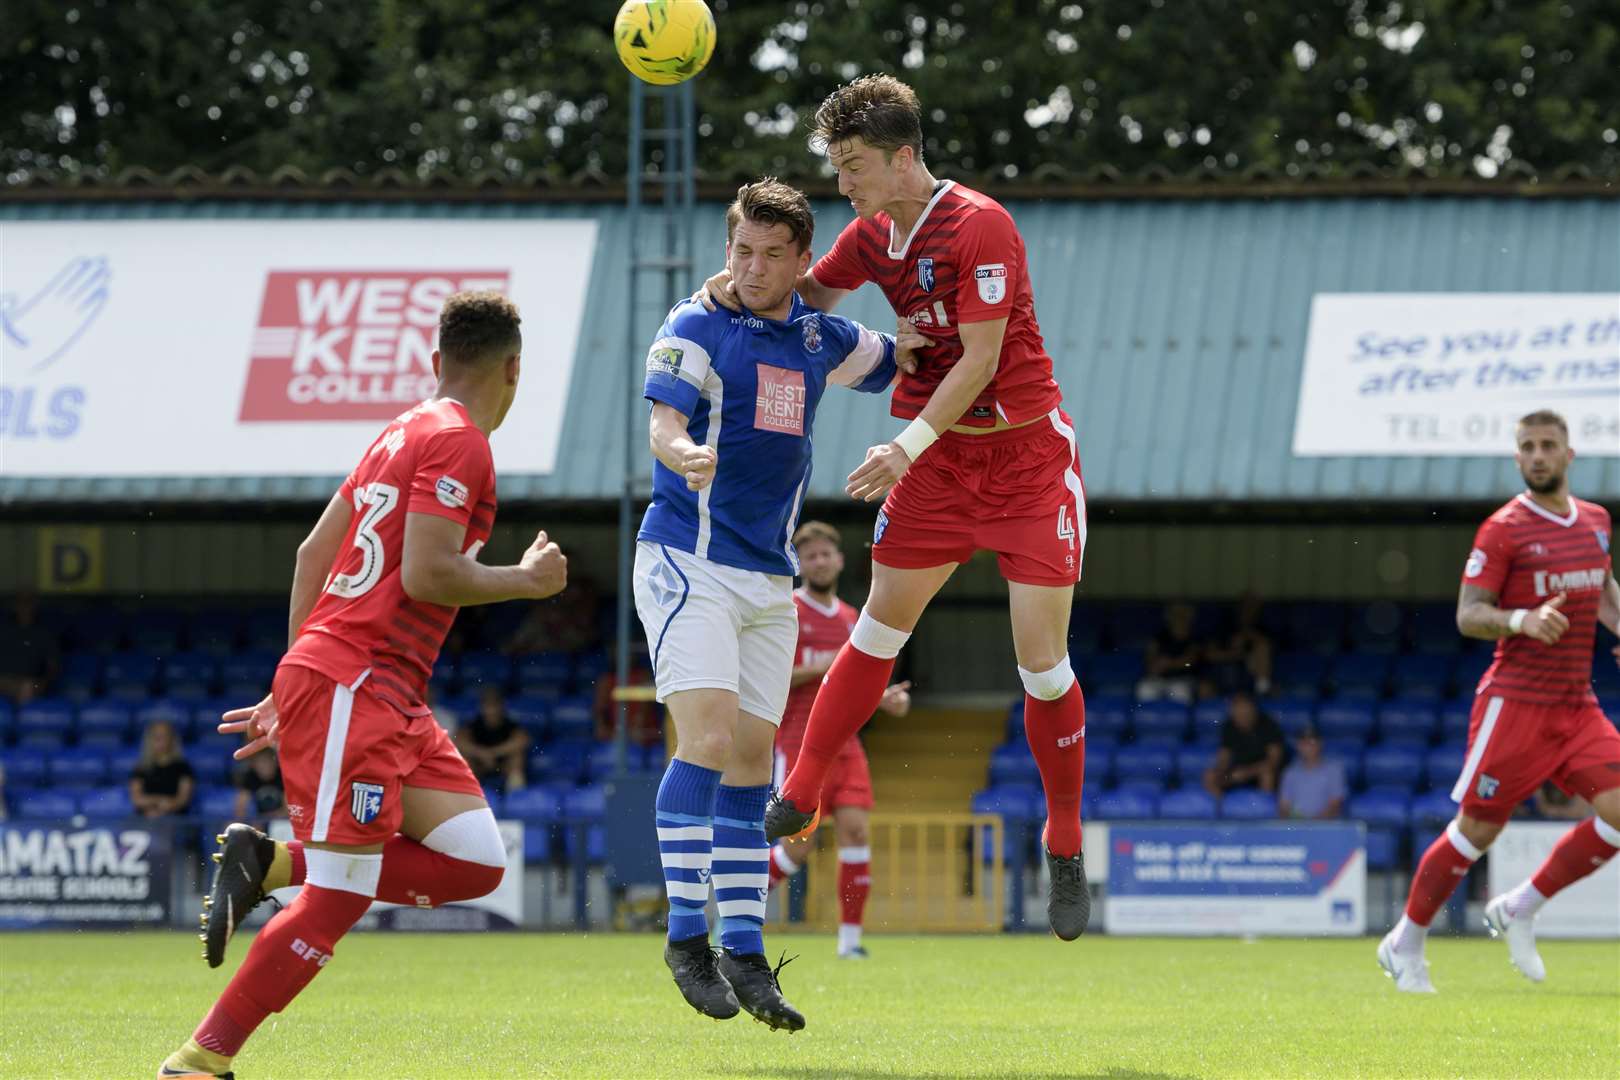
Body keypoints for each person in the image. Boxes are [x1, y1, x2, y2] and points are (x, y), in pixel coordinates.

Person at [699, 74, 1091, 941]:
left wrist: (901, 444)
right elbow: (805, 307)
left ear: (903, 156)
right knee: (878, 631)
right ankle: (798, 792)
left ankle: (1064, 842)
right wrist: (723, 294)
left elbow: (981, 359)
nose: (843, 183)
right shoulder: (871, 233)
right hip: (940, 466)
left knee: (1041, 665)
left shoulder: (981, 223)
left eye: (853, 165)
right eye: (836, 166)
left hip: (1026, 461)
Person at [157, 292, 569, 1078]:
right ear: (514, 368)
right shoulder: (463, 441)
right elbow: (427, 570)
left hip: (374, 688)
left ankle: (273, 865)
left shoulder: (402, 429)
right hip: (360, 680)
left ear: (436, 360)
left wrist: (294, 678)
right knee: (341, 897)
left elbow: (315, 553)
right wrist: (524, 579)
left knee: (477, 860)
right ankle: (198, 1063)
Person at [636, 178, 913, 1032]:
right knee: (711, 741)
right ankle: (686, 938)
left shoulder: (819, 335)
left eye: (770, 255)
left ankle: (746, 950)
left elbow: (903, 356)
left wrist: (958, 328)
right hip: (688, 560)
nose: (752, 268)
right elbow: (662, 426)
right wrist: (683, 454)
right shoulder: (692, 326)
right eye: (740, 251)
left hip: (768, 578)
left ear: (801, 261)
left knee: (759, 765)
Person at [1378, 410, 1620, 995]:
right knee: (1478, 831)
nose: (1538, 455)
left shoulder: (1596, 520)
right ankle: (1405, 942)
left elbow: (1603, 587)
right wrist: (1521, 619)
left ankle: (1518, 907)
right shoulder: (1502, 529)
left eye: (1548, 445)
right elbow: (1468, 614)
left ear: (1569, 454)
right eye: (1527, 447)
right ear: (1517, 458)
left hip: (1575, 705)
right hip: (1515, 705)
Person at [766, 521, 912, 959]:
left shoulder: (852, 618)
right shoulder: (786, 612)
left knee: (856, 831)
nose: (819, 561)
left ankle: (849, 943)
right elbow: (771, 678)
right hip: (796, 743)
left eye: (825, 554)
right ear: (799, 564)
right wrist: (827, 665)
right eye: (809, 556)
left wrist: (885, 700)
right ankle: (732, 910)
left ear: (840, 560)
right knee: (800, 845)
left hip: (847, 746)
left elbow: (855, 686)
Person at [1202, 690, 1286, 797]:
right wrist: (1221, 771)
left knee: (1267, 774)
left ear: (1253, 710)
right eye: (1237, 712)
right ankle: (1220, 810)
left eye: (1244, 712)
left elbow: (1274, 761)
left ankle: (1263, 810)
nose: (1241, 716)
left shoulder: (1269, 725)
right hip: (1238, 772)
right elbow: (1224, 756)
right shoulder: (1229, 726)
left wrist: (1247, 772)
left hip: (1260, 772)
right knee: (1209, 776)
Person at [454, 686, 530, 792]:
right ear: (482, 707)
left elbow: (523, 741)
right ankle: (467, 796)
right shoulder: (474, 724)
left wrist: (493, 753)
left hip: (503, 763)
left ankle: (515, 797)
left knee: (517, 758)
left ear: (501, 707)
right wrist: (481, 753)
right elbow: (458, 742)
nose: (491, 710)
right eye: (487, 706)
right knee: (465, 759)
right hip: (479, 764)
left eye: (494, 706)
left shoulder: (510, 724)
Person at [1201, 593, 1274, 697]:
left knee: (1261, 650)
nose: (1249, 610)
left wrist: (1247, 634)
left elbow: (1265, 647)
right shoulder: (1224, 626)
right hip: (1221, 673)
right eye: (1246, 606)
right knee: (1204, 687)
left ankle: (1263, 692)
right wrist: (1235, 654)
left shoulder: (1262, 629)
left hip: (1249, 675)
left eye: (1254, 606)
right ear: (1239, 607)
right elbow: (1210, 655)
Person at [1136, 602, 1202, 704]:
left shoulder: (1194, 638)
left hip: (1184, 679)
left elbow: (1190, 662)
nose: (1179, 617)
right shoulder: (1160, 637)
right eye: (1175, 614)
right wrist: (1155, 665)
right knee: (1145, 689)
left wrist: (1170, 664)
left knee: (1179, 691)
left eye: (1183, 614)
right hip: (1160, 679)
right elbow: (1150, 658)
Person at [129, 720, 195, 818]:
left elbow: (183, 799)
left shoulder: (183, 768)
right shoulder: (141, 768)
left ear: (172, 739)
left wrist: (165, 809)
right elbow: (137, 799)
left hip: (175, 820)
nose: (160, 740)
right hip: (145, 819)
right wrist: (158, 802)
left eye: (164, 736)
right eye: (156, 737)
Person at [1277, 725, 1345, 819]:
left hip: (1326, 827)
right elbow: (1284, 806)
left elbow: (1336, 804)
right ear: (1298, 746)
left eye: (1311, 742)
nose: (1307, 746)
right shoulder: (1290, 772)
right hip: (1297, 828)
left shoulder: (1334, 770)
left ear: (1320, 743)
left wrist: (1313, 825)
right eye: (1303, 742)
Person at [0, 593, 57, 703]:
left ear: (34, 606)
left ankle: (22, 718)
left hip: (28, 683)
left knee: (27, 687)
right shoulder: (3, 630)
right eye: (20, 603)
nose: (24, 607)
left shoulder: (43, 634)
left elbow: (53, 666)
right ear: (15, 607)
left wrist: (41, 684)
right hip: (3, 680)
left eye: (28, 603)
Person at [232, 749, 286, 822]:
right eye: (261, 763)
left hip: (281, 820)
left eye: (267, 762)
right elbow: (240, 808)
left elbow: (288, 809)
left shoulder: (283, 776)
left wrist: (269, 818)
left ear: (275, 763)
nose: (265, 766)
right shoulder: (250, 776)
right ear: (254, 765)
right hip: (260, 820)